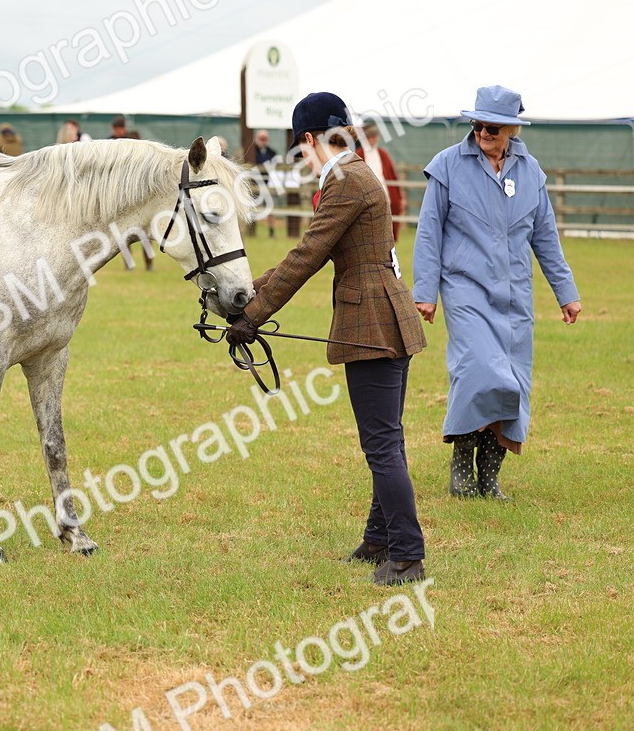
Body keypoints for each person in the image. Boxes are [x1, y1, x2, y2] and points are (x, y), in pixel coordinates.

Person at [228, 92, 428, 586]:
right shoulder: (358, 172)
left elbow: (308, 254)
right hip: (386, 317)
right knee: (388, 440)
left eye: (302, 146)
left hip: (372, 325)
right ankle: (380, 538)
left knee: (381, 444)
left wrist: (253, 314)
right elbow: (310, 251)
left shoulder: (343, 179)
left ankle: (407, 555)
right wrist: (245, 292)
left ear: (311, 140)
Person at [412, 85, 581, 500]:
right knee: (478, 371)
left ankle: (489, 476)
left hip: (515, 295)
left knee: (513, 384)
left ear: (512, 130)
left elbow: (546, 239)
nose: (484, 132)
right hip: (465, 288)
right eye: (479, 124)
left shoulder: (531, 173)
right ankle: (461, 465)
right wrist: (425, 290)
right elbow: (429, 231)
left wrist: (566, 292)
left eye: (494, 126)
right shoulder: (447, 166)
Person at [358, 121, 405, 241]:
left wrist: (400, 197)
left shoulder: (383, 154)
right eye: (371, 137)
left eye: (375, 136)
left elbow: (393, 177)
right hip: (368, 199)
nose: (374, 140)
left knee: (388, 233)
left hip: (385, 197)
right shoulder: (359, 155)